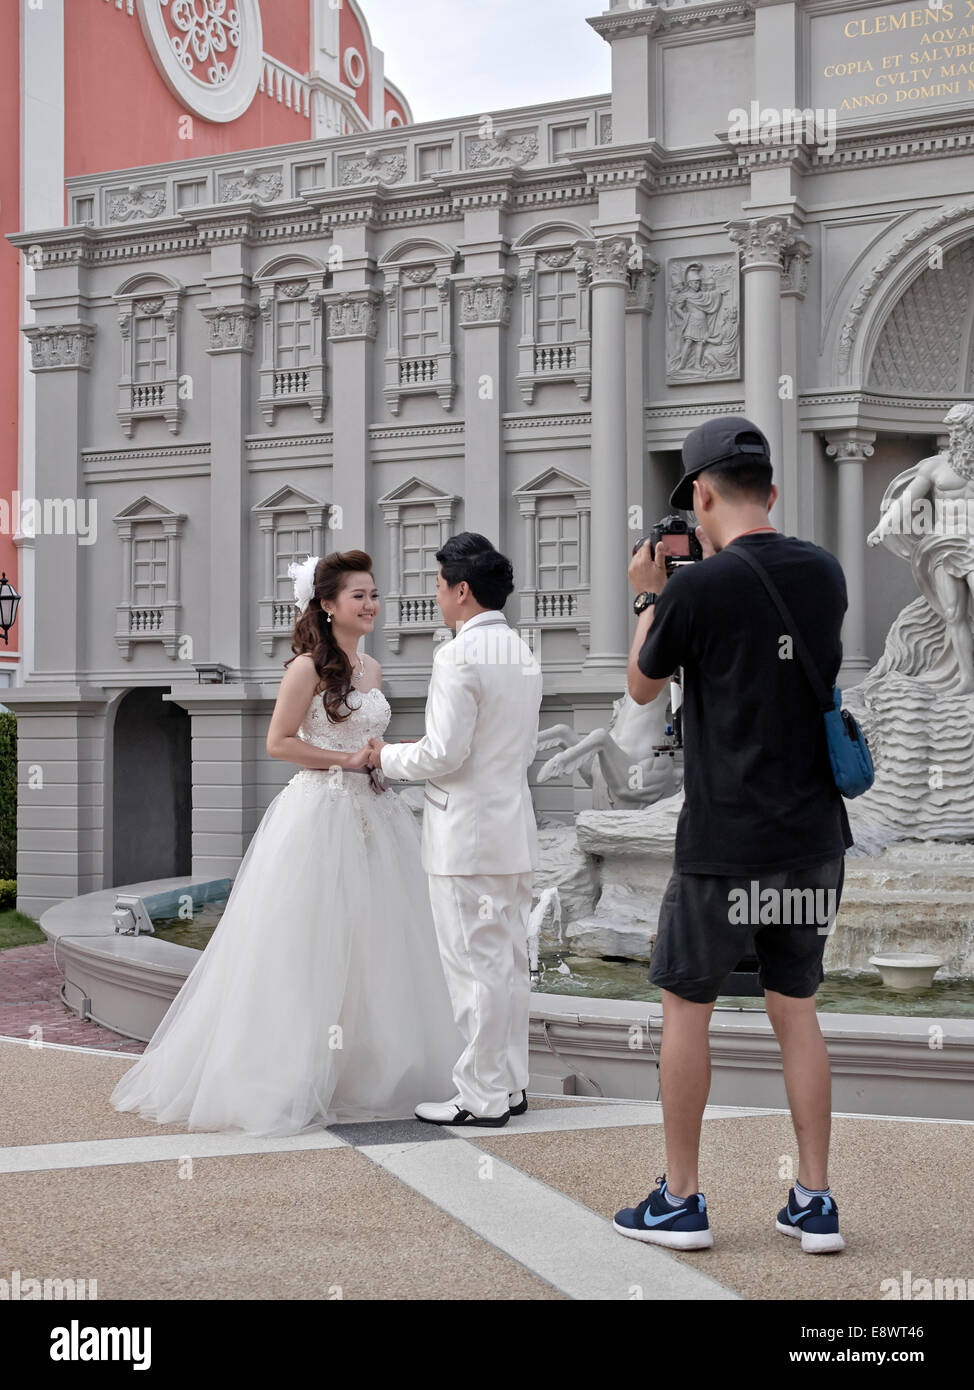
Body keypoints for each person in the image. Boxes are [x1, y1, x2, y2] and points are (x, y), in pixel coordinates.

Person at [110, 550, 463, 1136]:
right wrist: (345, 759)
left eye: (375, 594)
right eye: (359, 596)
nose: (371, 605)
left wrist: (383, 754)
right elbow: (279, 742)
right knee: (307, 943)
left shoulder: (372, 670)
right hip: (319, 816)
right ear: (327, 605)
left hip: (378, 814)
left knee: (380, 942)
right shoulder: (304, 669)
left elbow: (370, 737)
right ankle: (288, 1073)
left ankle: (369, 1074)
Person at [612, 417, 853, 1254]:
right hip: (814, 836)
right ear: (774, 493)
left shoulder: (693, 591)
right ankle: (814, 1200)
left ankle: (681, 1202)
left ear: (701, 496)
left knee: (687, 1006)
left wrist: (650, 593)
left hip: (725, 840)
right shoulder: (825, 574)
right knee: (798, 1009)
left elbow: (642, 690)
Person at [367, 533, 544, 1127]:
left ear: (462, 590)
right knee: (508, 965)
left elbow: (443, 753)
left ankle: (479, 1096)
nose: (438, 599)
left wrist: (384, 758)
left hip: (465, 836)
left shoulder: (458, 655)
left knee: (474, 969)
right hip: (511, 831)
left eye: (440, 588)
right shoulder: (521, 650)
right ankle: (511, 1084)